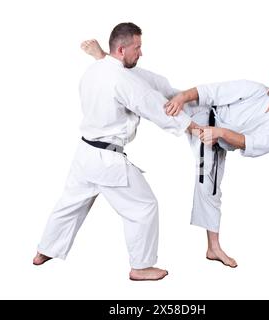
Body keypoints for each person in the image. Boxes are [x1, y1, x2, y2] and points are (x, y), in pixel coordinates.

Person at [81, 40, 269, 268]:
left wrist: (221, 132)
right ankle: (106, 61)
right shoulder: (253, 89)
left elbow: (252, 143)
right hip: (202, 114)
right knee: (164, 92)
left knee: (209, 189)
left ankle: (213, 248)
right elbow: (211, 92)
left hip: (216, 140)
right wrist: (181, 98)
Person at [33, 22, 200, 281]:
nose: (141, 53)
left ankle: (45, 250)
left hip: (85, 152)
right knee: (143, 207)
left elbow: (139, 81)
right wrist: (194, 127)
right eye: (138, 47)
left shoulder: (95, 69)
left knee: (70, 204)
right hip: (106, 158)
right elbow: (153, 106)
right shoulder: (122, 79)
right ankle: (141, 267)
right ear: (122, 49)